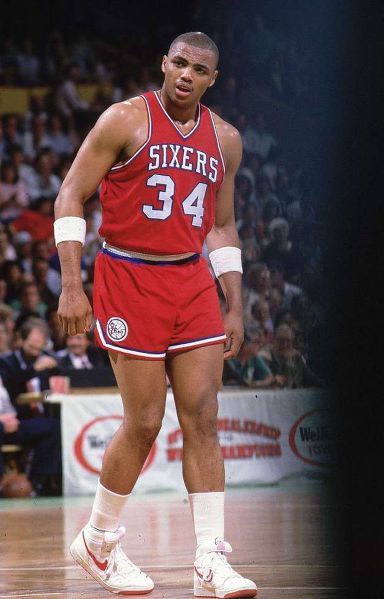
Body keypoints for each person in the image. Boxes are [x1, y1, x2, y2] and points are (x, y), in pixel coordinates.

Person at [54, 31, 257, 598]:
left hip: (191, 279)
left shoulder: (226, 139)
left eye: (199, 69)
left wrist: (235, 302)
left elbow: (222, 226)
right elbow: (70, 194)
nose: (187, 75)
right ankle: (98, 540)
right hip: (128, 274)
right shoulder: (124, 119)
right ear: (164, 64)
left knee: (204, 416)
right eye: (179, 63)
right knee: (144, 420)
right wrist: (71, 284)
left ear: (213, 79)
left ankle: (210, 560)